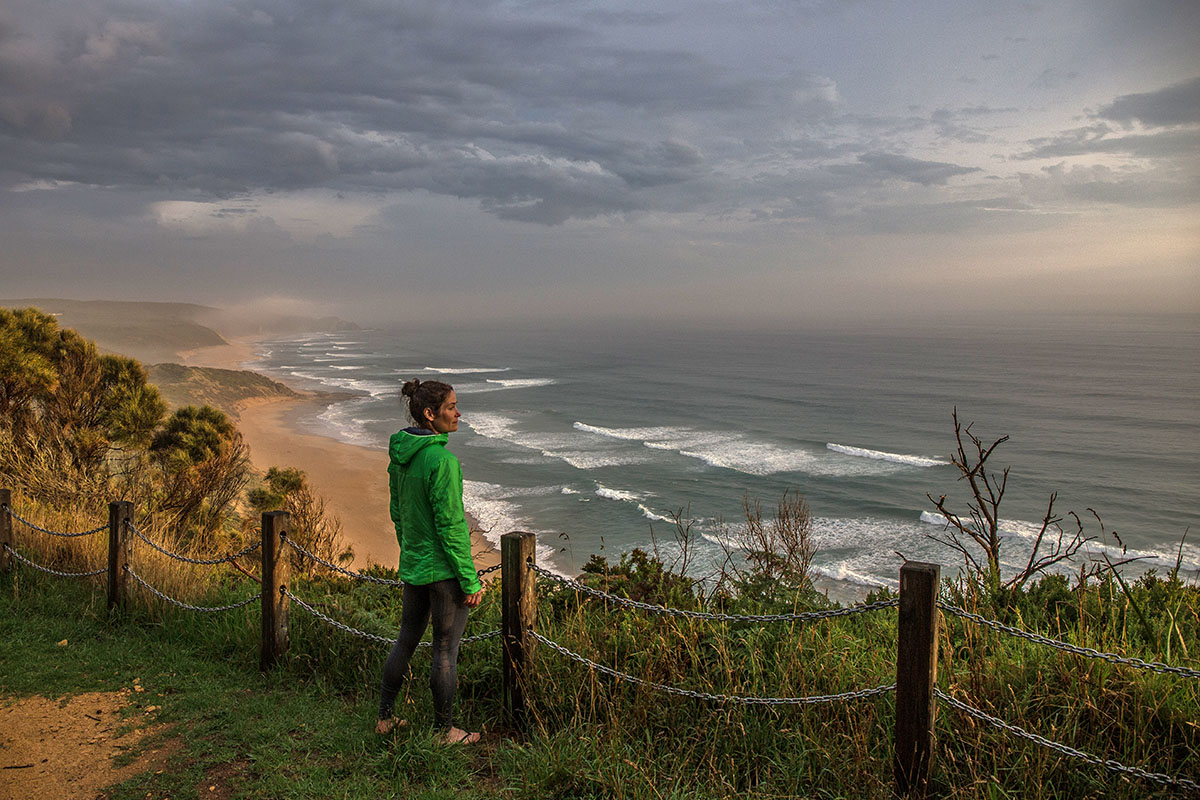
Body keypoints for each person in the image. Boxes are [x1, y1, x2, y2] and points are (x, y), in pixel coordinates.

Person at [376, 378, 483, 744]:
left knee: (405, 639)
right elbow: (452, 526)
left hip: (415, 565)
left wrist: (409, 551)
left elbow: (398, 512)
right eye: (451, 407)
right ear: (430, 414)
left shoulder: (401, 455)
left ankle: (385, 717)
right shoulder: (442, 461)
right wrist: (469, 580)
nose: (458, 413)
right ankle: (444, 731)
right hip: (443, 572)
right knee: (444, 651)